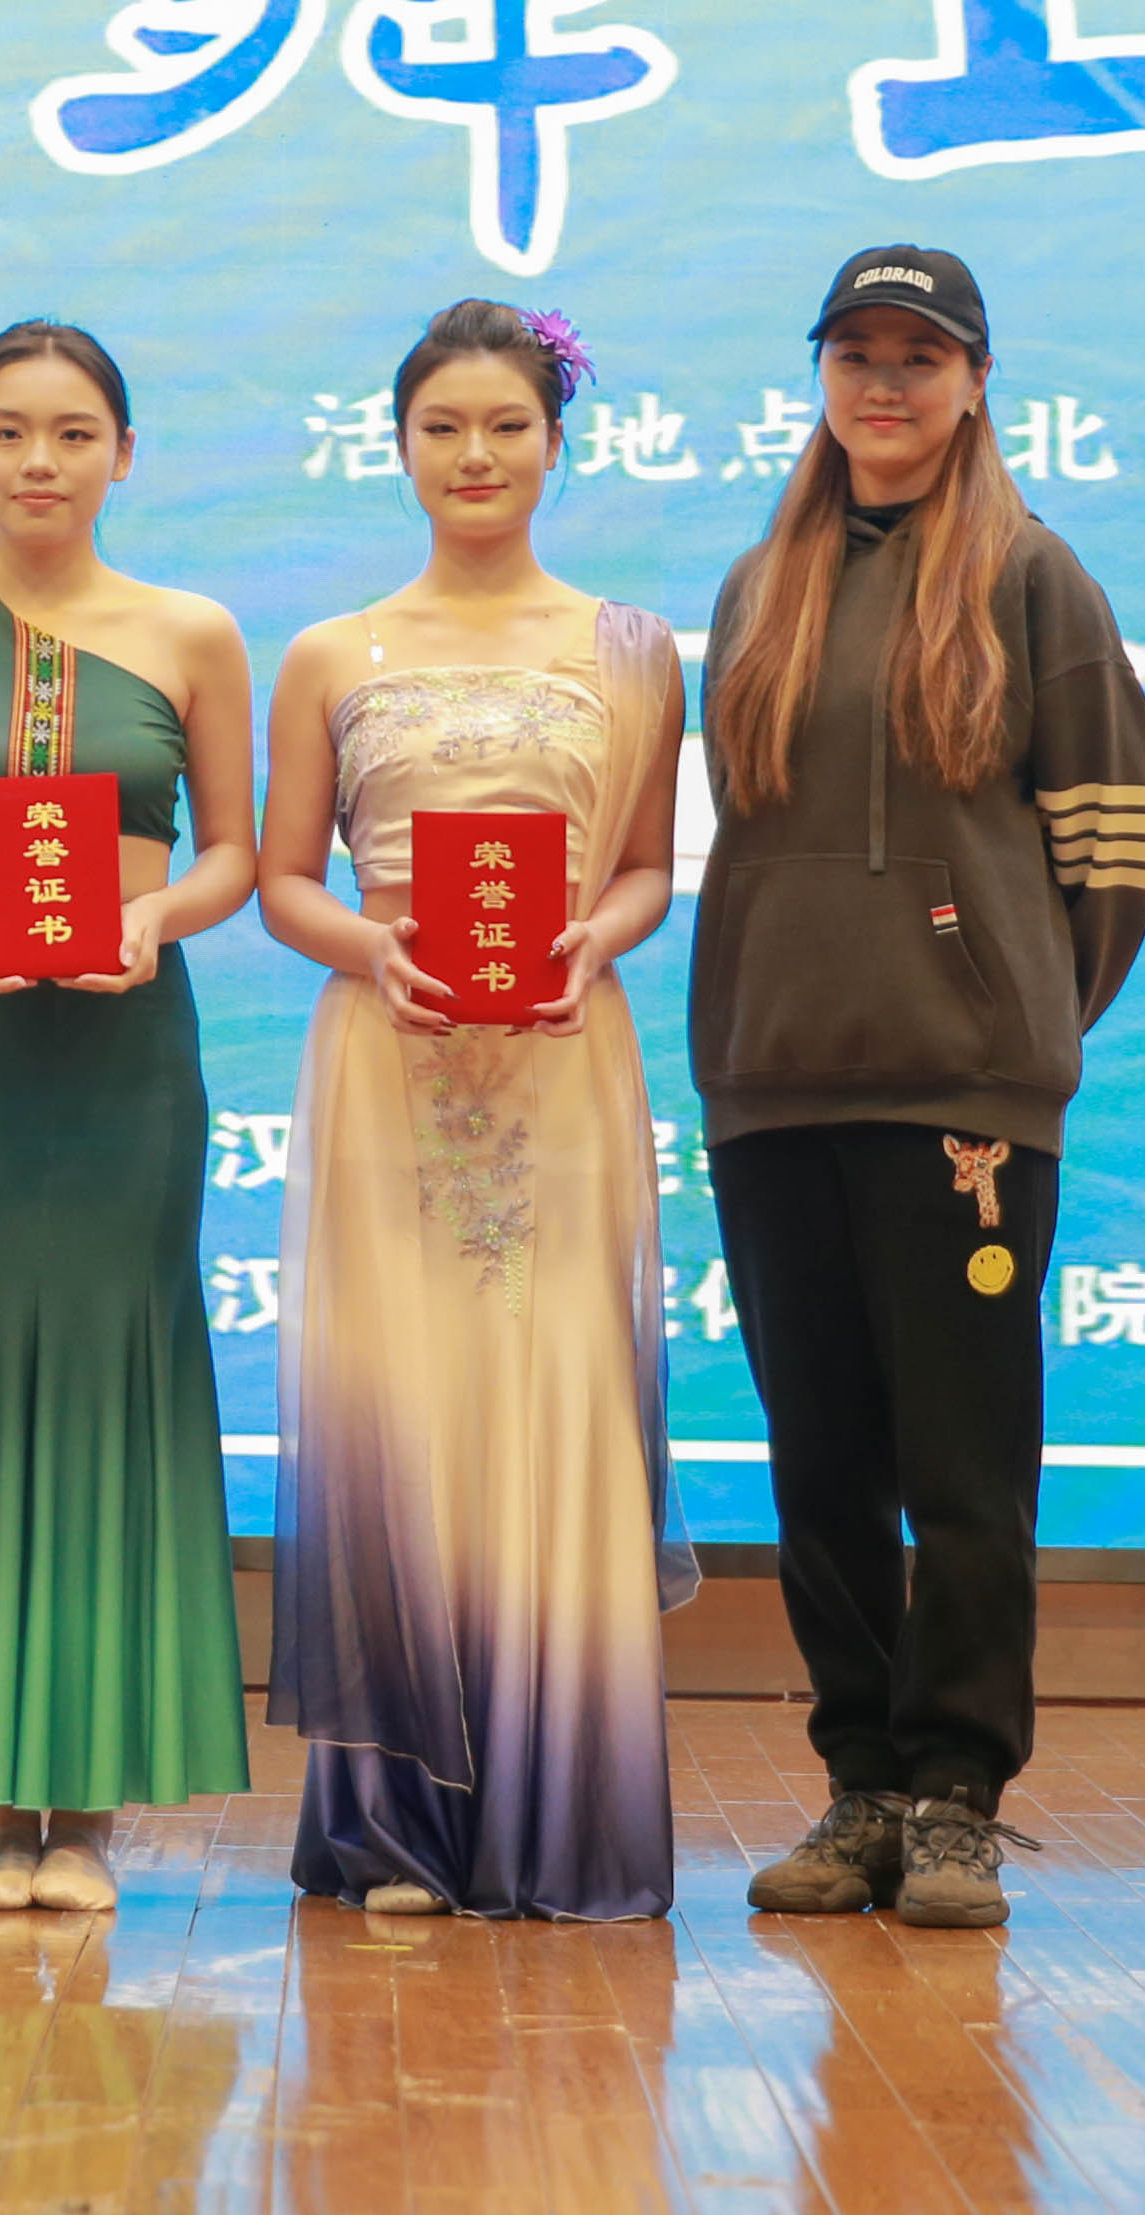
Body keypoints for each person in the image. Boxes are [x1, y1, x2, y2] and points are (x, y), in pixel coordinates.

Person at [692, 243, 1145, 1932]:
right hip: (774, 1087)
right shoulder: (759, 588)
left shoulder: (1032, 578)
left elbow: (1107, 842)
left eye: (918, 356)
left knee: (963, 1469)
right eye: (856, 355)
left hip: (964, 1101)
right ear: (820, 376)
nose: (883, 385)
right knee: (818, 1464)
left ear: (972, 382)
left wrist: (1007, 1015)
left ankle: (957, 1796)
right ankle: (860, 1788)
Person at [254, 297, 693, 1921]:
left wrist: (595, 936)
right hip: (387, 1066)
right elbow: (282, 880)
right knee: (401, 1412)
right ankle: (396, 1827)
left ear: (555, 445)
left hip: (561, 1063)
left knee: (548, 1397)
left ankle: (551, 1813)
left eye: (506, 426)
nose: (475, 454)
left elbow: (643, 865)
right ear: (396, 447)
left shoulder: (629, 649)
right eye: (441, 427)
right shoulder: (332, 653)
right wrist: (370, 947)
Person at [0, 321, 261, 1913]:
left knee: (108, 1375)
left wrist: (153, 920)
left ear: (123, 455)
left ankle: (81, 1807)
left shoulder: (194, 633)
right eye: (8, 431)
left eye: (74, 433)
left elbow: (232, 853)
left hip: (126, 1059)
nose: (39, 461)